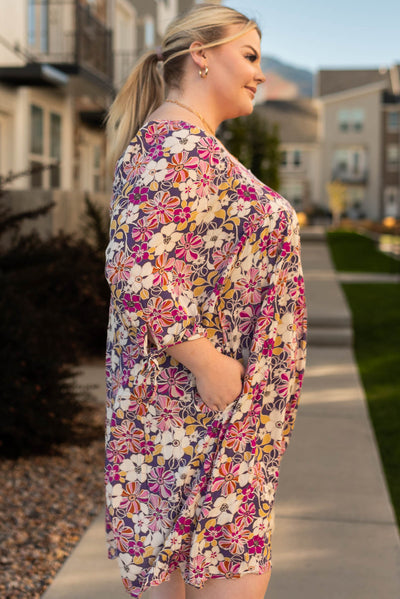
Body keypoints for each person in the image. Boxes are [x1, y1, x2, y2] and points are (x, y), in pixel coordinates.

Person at [104, 3, 307, 599]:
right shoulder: (171, 145)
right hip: (189, 419)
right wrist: (208, 364)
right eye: (248, 56)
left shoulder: (188, 144)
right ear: (200, 55)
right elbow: (135, 265)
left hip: (218, 427)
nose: (260, 74)